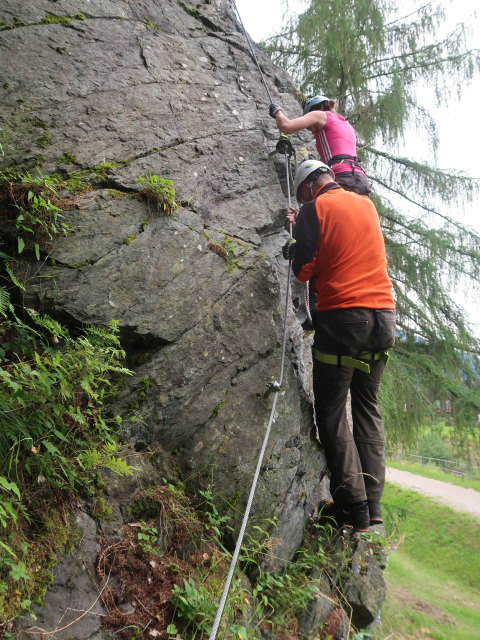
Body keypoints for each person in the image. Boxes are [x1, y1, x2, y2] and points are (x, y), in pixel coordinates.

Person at [284, 159, 396, 532]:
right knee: (367, 406)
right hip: (384, 318)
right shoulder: (365, 203)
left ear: (310, 188)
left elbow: (303, 268)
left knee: (331, 411)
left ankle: (353, 506)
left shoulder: (314, 209)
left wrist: (297, 233)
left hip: (345, 318)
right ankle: (374, 504)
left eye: (303, 195)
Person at [270, 96, 371, 196]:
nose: (312, 131)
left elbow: (286, 126)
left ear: (313, 110)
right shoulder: (346, 124)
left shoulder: (320, 115)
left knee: (322, 208)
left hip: (342, 177)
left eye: (310, 126)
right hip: (361, 180)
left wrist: (277, 111)